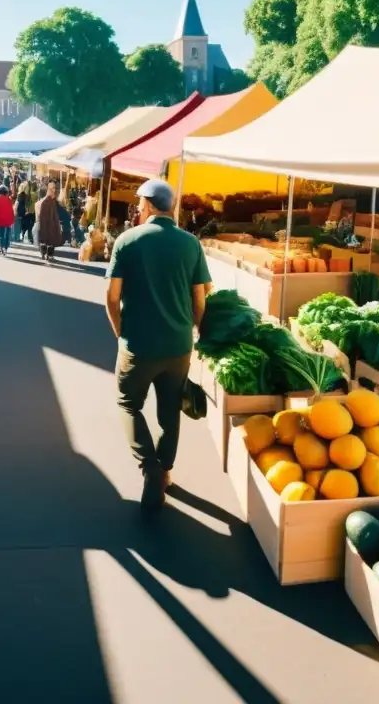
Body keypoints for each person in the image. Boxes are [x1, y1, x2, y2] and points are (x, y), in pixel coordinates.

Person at [105, 180, 212, 516]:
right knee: (169, 413)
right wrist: (194, 332)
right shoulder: (190, 244)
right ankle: (164, 470)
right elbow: (200, 298)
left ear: (150, 205)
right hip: (178, 346)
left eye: (139, 204)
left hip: (138, 344)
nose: (136, 209)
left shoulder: (127, 241)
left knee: (128, 403)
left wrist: (121, 333)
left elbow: (111, 297)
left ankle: (150, 469)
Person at [35, 181, 64, 262]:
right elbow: (42, 217)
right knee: (45, 239)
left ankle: (49, 255)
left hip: (52, 224)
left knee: (51, 240)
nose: (54, 190)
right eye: (52, 188)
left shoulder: (53, 201)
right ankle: (45, 254)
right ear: (48, 189)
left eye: (54, 188)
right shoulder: (45, 202)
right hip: (46, 225)